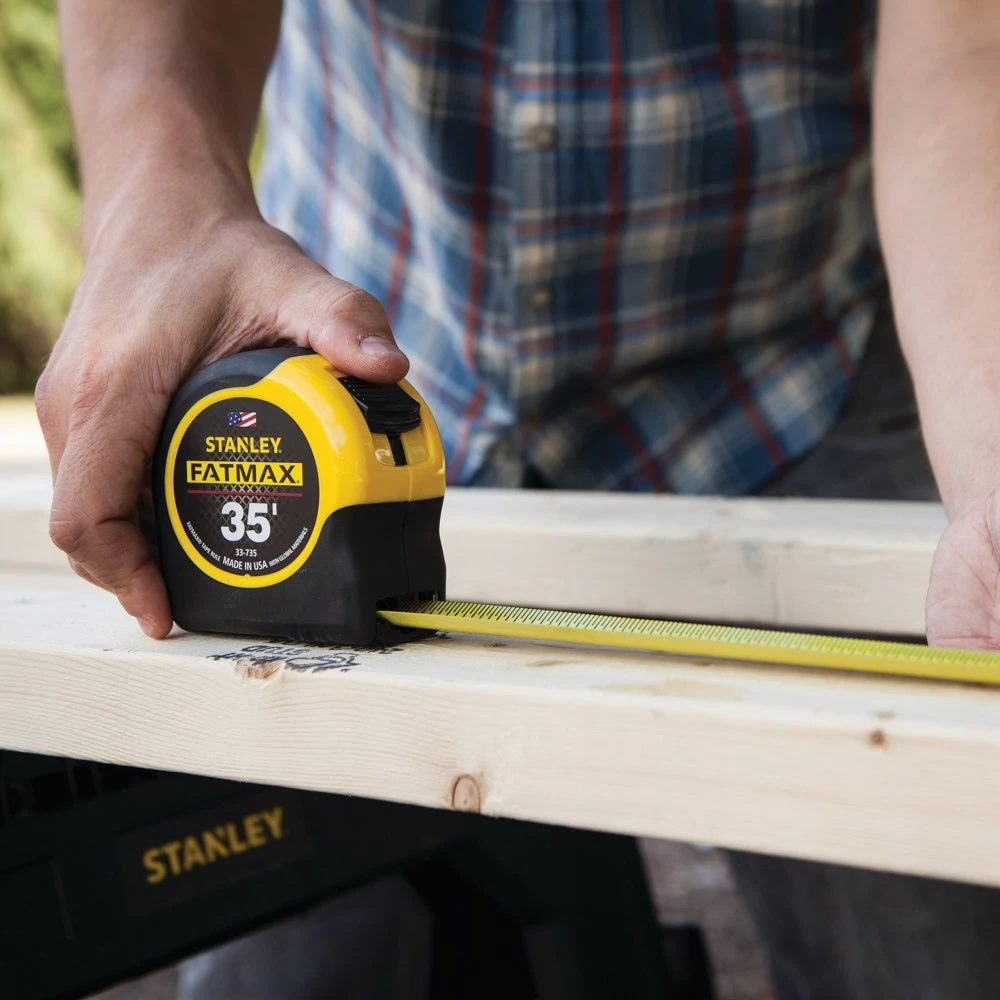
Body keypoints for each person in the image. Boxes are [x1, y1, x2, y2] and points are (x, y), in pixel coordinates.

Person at [37, 1, 1000, 997]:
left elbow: (969, 48)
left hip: (791, 379)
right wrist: (162, 206)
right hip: (329, 375)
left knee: (922, 952)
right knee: (284, 965)